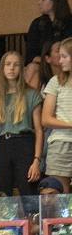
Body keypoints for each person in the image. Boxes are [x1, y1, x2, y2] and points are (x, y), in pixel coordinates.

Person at [0, 51, 44, 196]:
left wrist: (37, 160)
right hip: (1, 145)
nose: (11, 68)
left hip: (25, 143)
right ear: (2, 68)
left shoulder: (32, 94)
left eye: (16, 65)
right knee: (2, 195)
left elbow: (39, 131)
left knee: (28, 193)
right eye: (8, 64)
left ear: (22, 69)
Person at [26, 0, 72, 88]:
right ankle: (29, 97)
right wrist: (47, 60)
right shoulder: (37, 24)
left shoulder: (69, 23)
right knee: (32, 68)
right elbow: (30, 55)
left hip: (66, 64)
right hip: (44, 65)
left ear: (54, 1)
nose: (39, 2)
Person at [44, 37, 72, 186]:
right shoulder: (55, 81)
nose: (60, 61)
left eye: (64, 56)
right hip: (60, 142)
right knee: (60, 194)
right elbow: (46, 119)